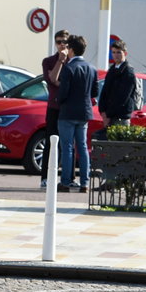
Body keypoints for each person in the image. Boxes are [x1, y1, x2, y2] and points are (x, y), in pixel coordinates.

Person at [57, 35, 99, 194]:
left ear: (72, 50)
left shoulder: (69, 68)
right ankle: (85, 182)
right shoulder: (91, 68)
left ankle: (66, 182)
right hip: (84, 112)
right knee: (82, 147)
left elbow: (63, 92)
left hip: (68, 112)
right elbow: (95, 91)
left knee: (67, 147)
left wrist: (58, 99)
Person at [40, 29, 69, 189]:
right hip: (53, 107)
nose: (62, 45)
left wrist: (60, 82)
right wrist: (61, 61)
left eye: (64, 41)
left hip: (67, 107)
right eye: (59, 42)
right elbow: (52, 80)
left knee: (67, 144)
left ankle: (68, 178)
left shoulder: (73, 62)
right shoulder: (48, 61)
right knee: (50, 142)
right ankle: (45, 177)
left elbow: (65, 83)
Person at [98, 40, 137, 127]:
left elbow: (123, 97)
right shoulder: (112, 69)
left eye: (119, 52)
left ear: (125, 53)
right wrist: (103, 111)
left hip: (121, 117)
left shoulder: (128, 71)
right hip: (109, 115)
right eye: (113, 52)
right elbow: (105, 91)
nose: (116, 55)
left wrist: (109, 114)